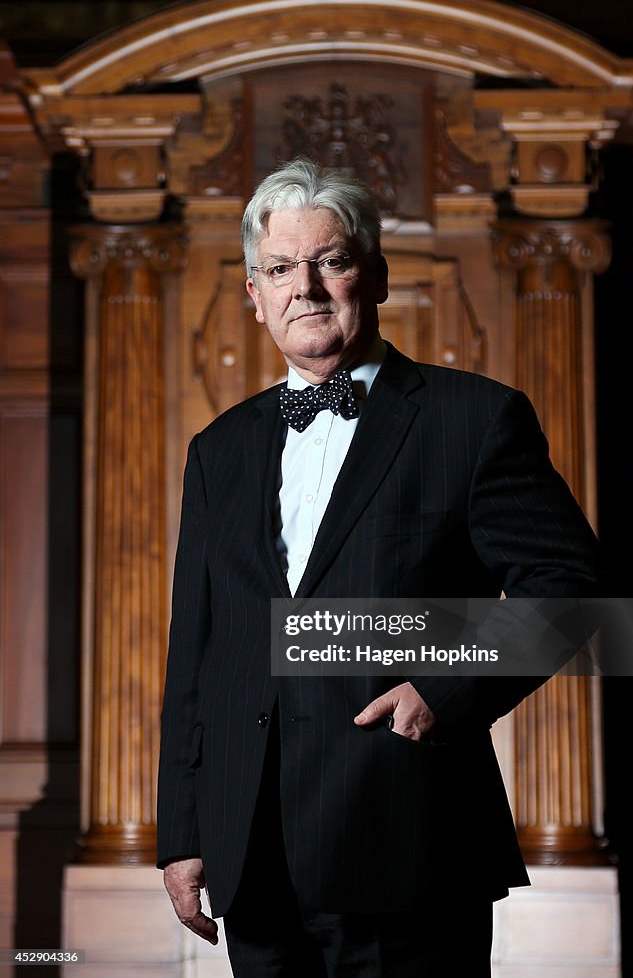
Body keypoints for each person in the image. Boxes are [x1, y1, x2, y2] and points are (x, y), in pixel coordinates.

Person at [157, 158, 600, 977]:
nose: (307, 289)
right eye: (280, 269)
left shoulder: (475, 418)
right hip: (249, 852)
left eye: (331, 261)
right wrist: (183, 832)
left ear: (377, 276)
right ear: (254, 295)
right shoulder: (217, 449)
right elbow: (200, 650)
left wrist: (447, 684)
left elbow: (572, 595)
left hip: (408, 840)